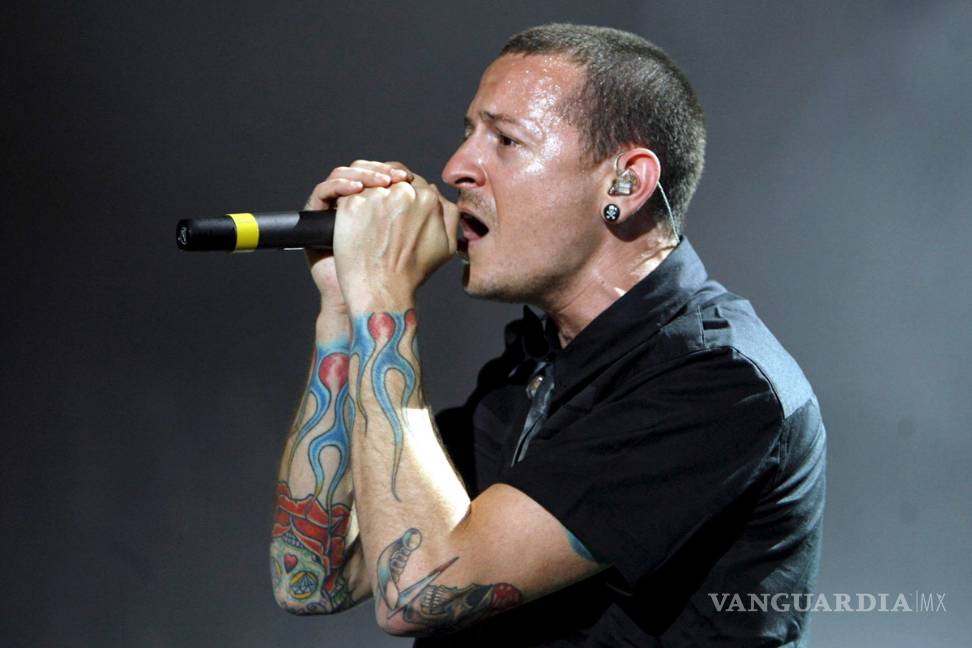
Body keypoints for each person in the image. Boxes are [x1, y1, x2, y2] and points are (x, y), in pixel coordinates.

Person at [269, 23, 826, 647]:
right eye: (468, 132)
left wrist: (383, 293)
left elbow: (418, 592)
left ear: (625, 184)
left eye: (506, 140)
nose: (456, 168)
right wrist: (344, 307)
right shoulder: (536, 364)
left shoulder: (720, 382)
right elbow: (310, 579)